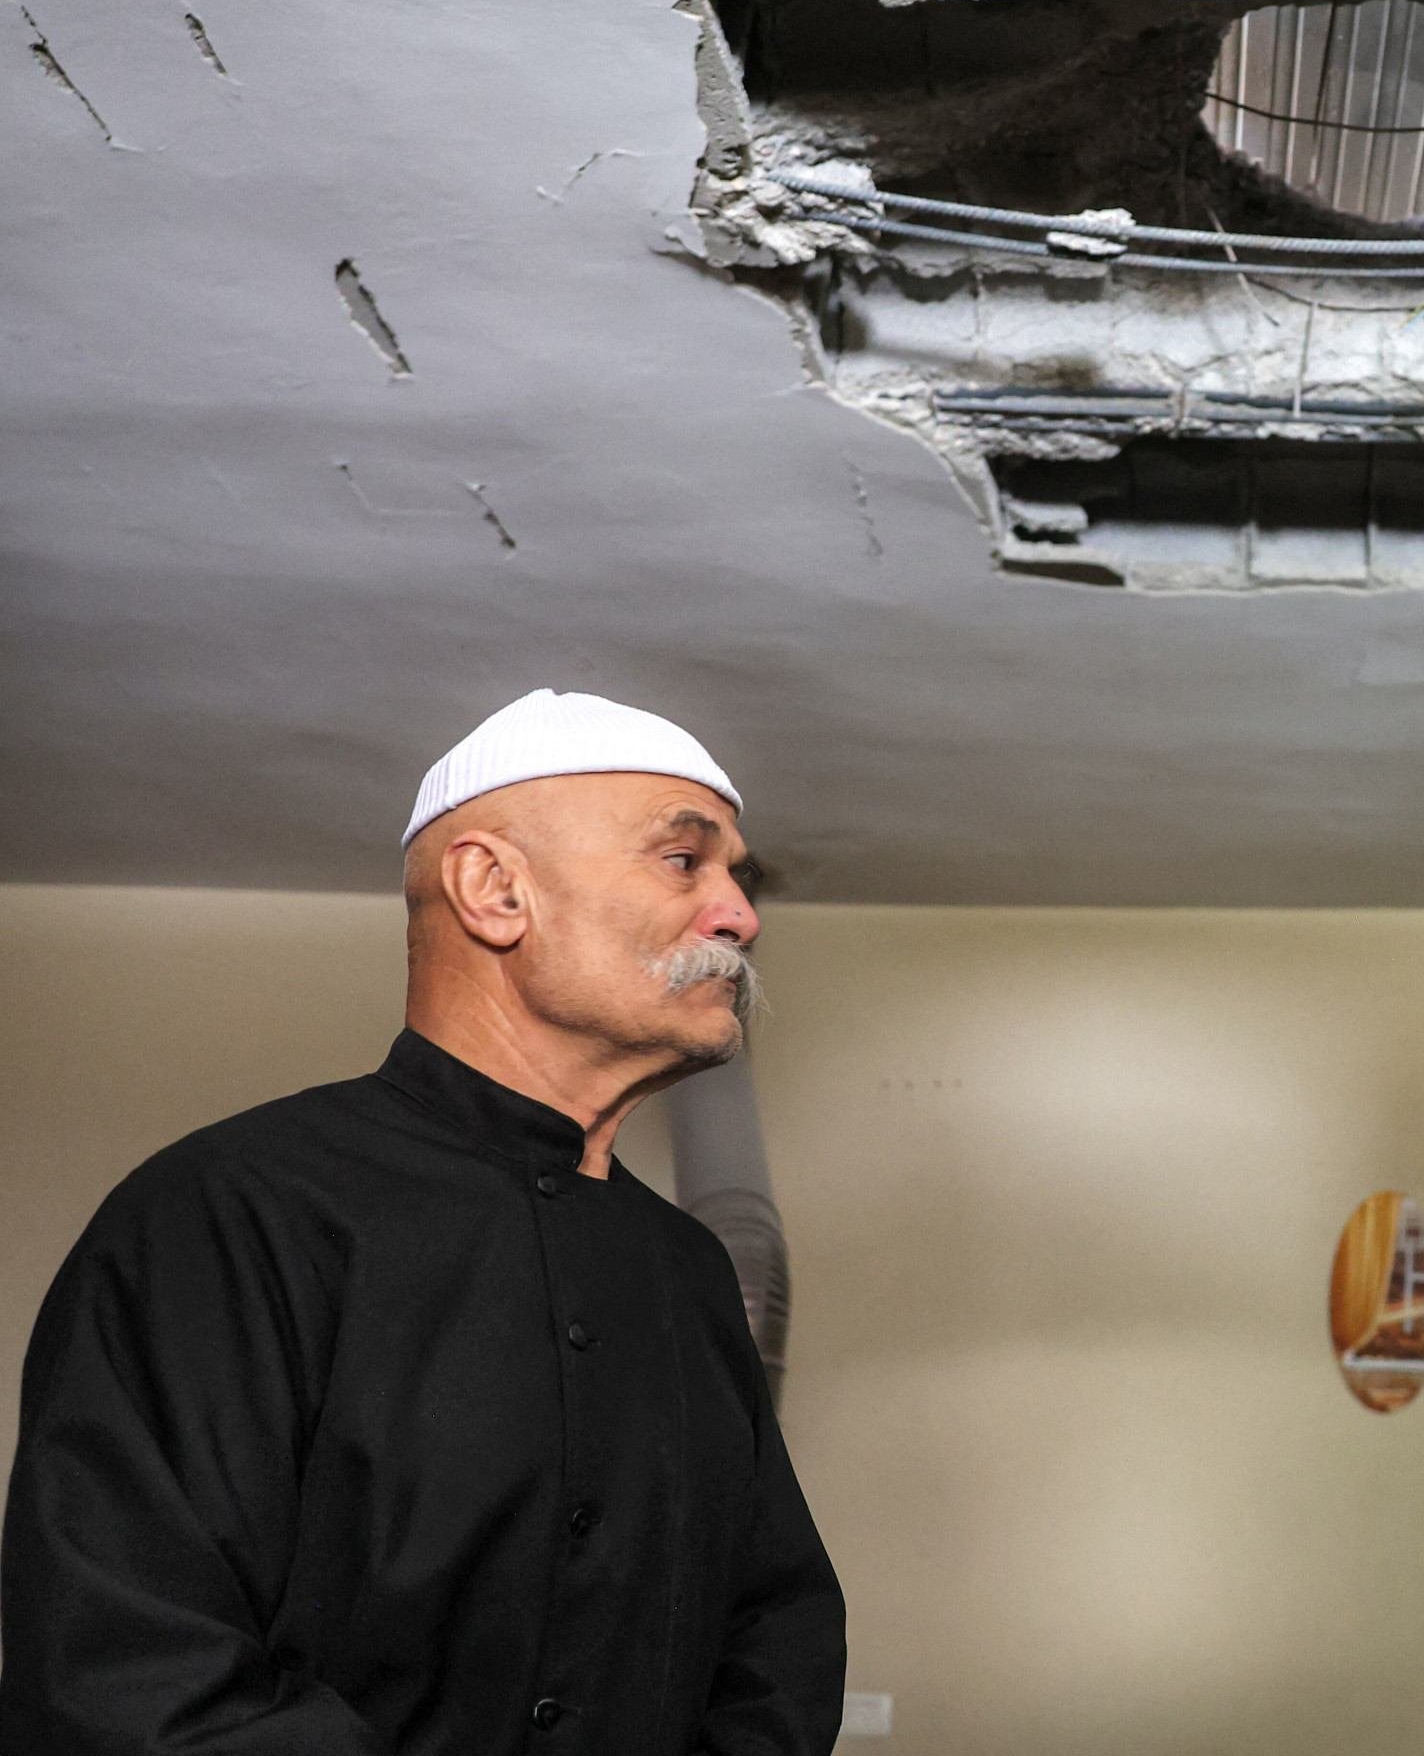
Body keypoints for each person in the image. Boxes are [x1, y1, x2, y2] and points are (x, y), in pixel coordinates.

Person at [1, 689, 846, 1755]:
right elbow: (133, 1668)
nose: (739, 914)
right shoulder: (229, 1213)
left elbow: (777, 1631)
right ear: (494, 890)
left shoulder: (684, 1269)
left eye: (733, 876)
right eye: (686, 862)